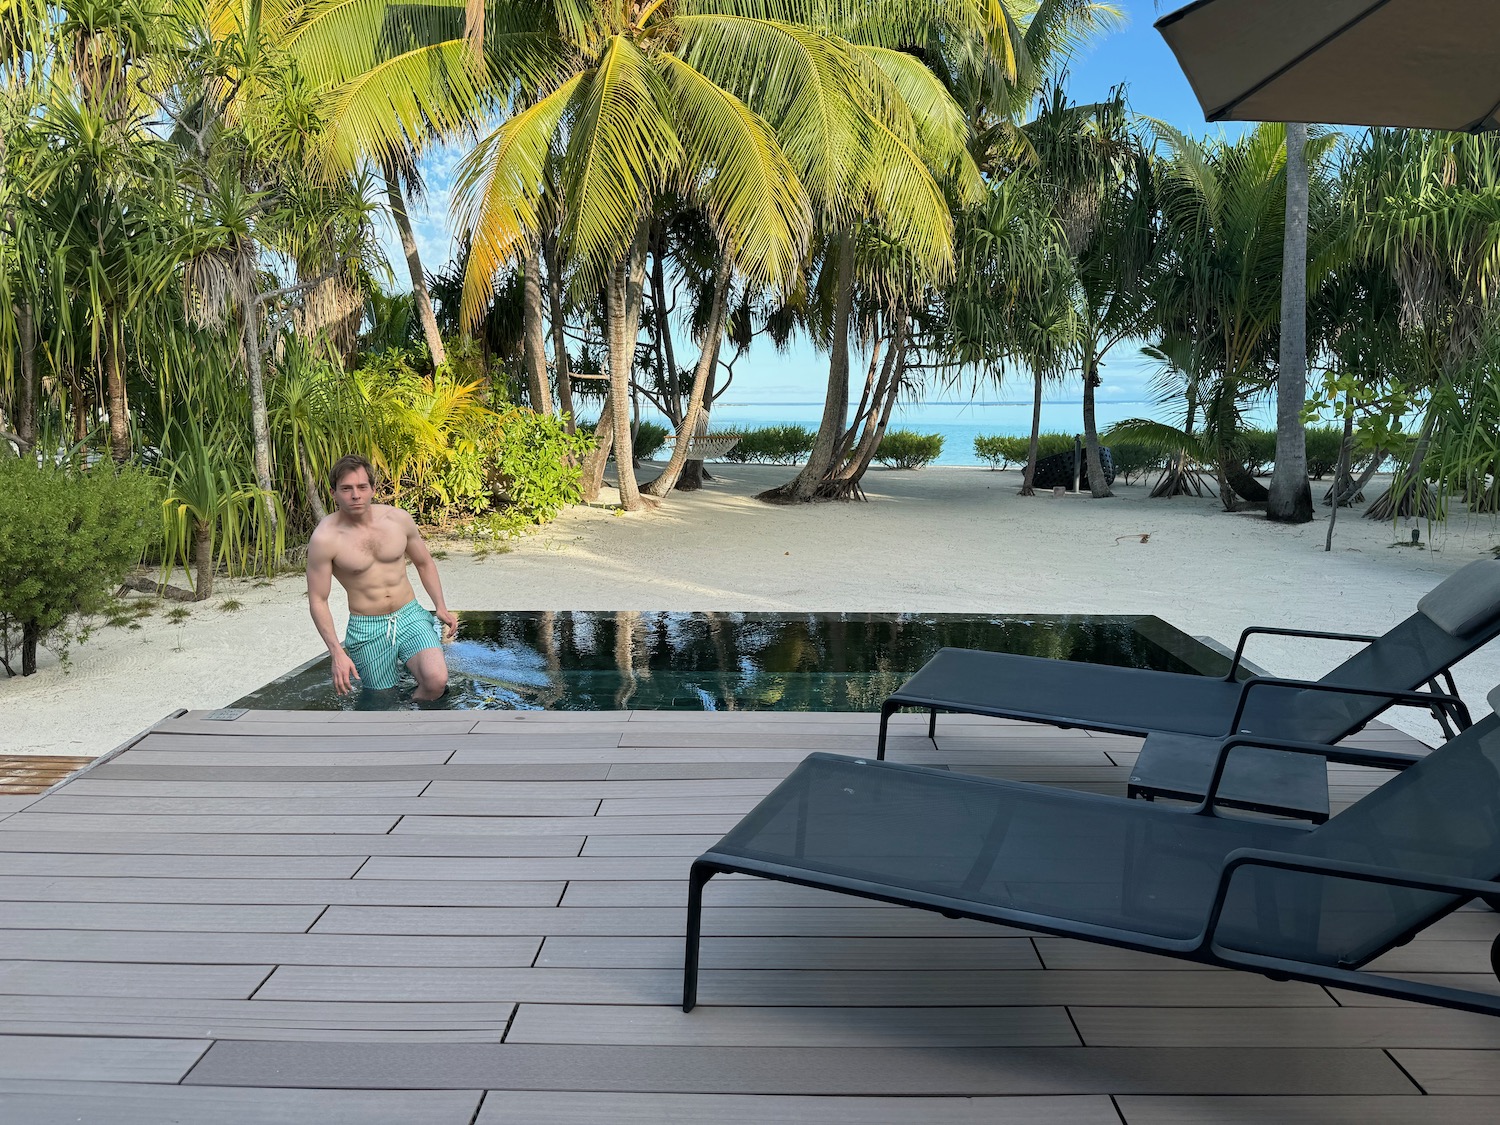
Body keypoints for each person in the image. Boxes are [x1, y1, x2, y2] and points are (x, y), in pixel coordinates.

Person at [306, 454, 457, 701]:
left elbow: (424, 562)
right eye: (346, 489)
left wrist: (440, 606)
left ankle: (413, 711)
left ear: (373, 489)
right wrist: (336, 653)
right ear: (333, 493)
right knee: (381, 700)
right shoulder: (325, 538)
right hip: (367, 626)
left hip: (410, 615)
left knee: (436, 680)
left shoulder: (398, 520)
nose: (355, 495)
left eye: (362, 487)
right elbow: (318, 600)